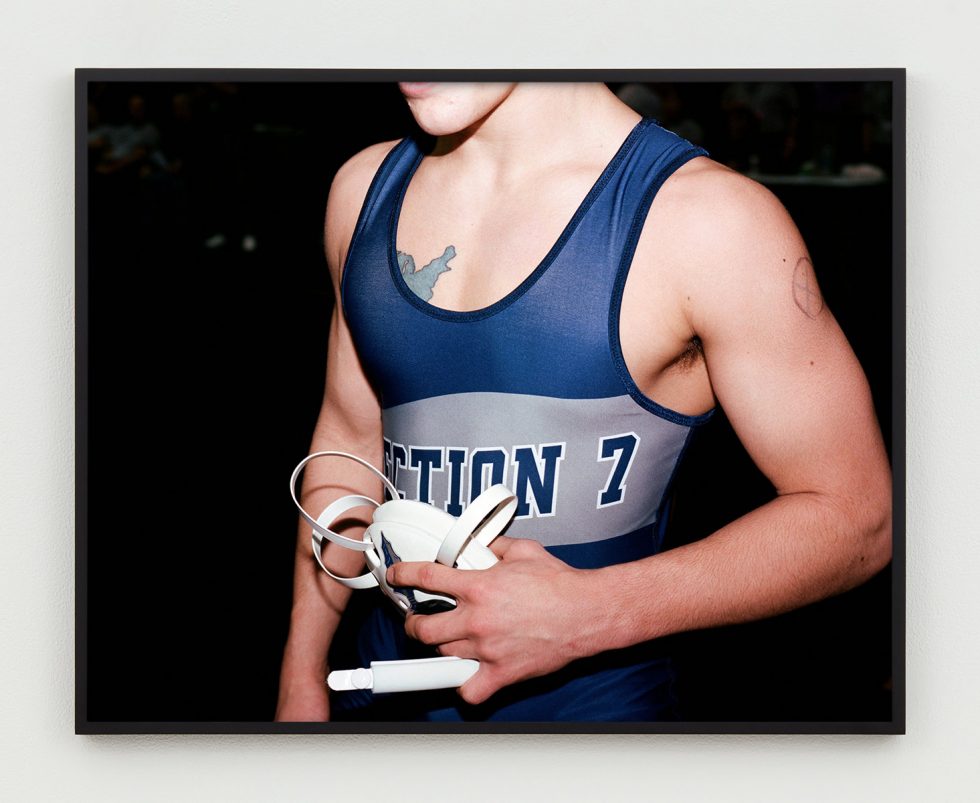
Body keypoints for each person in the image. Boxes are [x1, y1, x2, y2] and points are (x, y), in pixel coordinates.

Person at [275, 82, 892, 722]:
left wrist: (589, 612)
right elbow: (349, 440)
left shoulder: (705, 219)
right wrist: (301, 678)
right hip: (380, 696)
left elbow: (858, 517)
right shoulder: (363, 191)